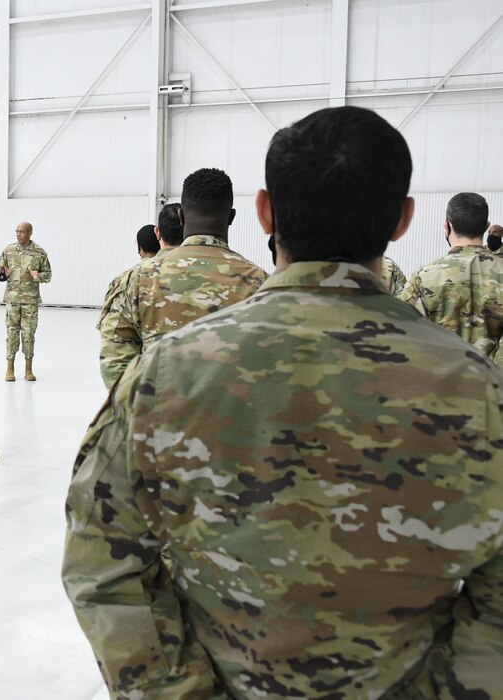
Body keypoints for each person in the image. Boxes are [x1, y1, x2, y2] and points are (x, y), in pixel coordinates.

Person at [63, 105, 503, 698]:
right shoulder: (477, 390)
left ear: (266, 211)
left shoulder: (164, 375)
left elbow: (100, 559)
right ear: (402, 220)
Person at [99, 169, 266, 388]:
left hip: (156, 417)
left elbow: (115, 362)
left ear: (181, 216)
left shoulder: (135, 279)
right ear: (232, 216)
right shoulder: (260, 283)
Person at [401, 192, 503, 360]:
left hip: (440, 381)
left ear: (447, 227)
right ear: (486, 226)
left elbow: (404, 335)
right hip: (494, 383)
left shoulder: (423, 277)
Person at [97, 206, 182, 389]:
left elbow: (114, 343)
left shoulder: (128, 279)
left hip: (150, 390)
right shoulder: (224, 272)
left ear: (159, 234)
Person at [0, 221, 51, 381]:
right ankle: (10, 369)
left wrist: (38, 276)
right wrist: (3, 274)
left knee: (28, 334)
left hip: (30, 301)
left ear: (30, 233)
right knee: (12, 332)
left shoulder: (39, 253)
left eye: (22, 231)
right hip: (12, 299)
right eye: (17, 231)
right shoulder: (9, 250)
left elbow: (48, 275)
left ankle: (28, 369)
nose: (19, 234)